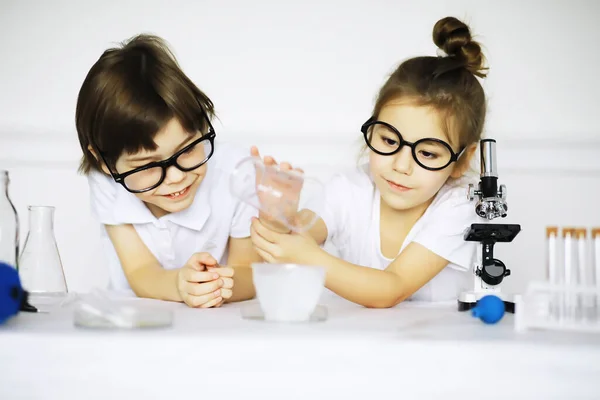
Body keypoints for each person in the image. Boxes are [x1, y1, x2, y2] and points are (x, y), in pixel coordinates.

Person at [250, 16, 487, 307]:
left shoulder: (459, 207)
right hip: (356, 346)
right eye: (389, 141)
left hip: (434, 347)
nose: (401, 166)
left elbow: (392, 288)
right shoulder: (348, 190)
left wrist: (307, 256)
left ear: (462, 161)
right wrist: (277, 215)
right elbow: (297, 240)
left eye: (427, 153)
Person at [76, 34, 262, 308]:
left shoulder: (237, 171)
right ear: (104, 161)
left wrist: (211, 286)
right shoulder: (107, 184)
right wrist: (180, 285)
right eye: (149, 165)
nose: (176, 177)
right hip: (133, 321)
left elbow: (249, 271)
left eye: (188, 149)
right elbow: (140, 271)